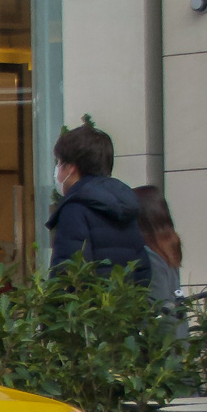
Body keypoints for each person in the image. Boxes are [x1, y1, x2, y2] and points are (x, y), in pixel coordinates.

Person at [45, 119, 148, 277]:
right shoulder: (126, 204)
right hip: (125, 300)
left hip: (90, 301)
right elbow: (143, 270)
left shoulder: (75, 209)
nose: (57, 171)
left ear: (72, 167)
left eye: (59, 163)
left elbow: (69, 274)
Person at [133, 184, 184, 312]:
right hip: (177, 328)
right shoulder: (167, 247)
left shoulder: (150, 255)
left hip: (162, 327)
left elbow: (159, 304)